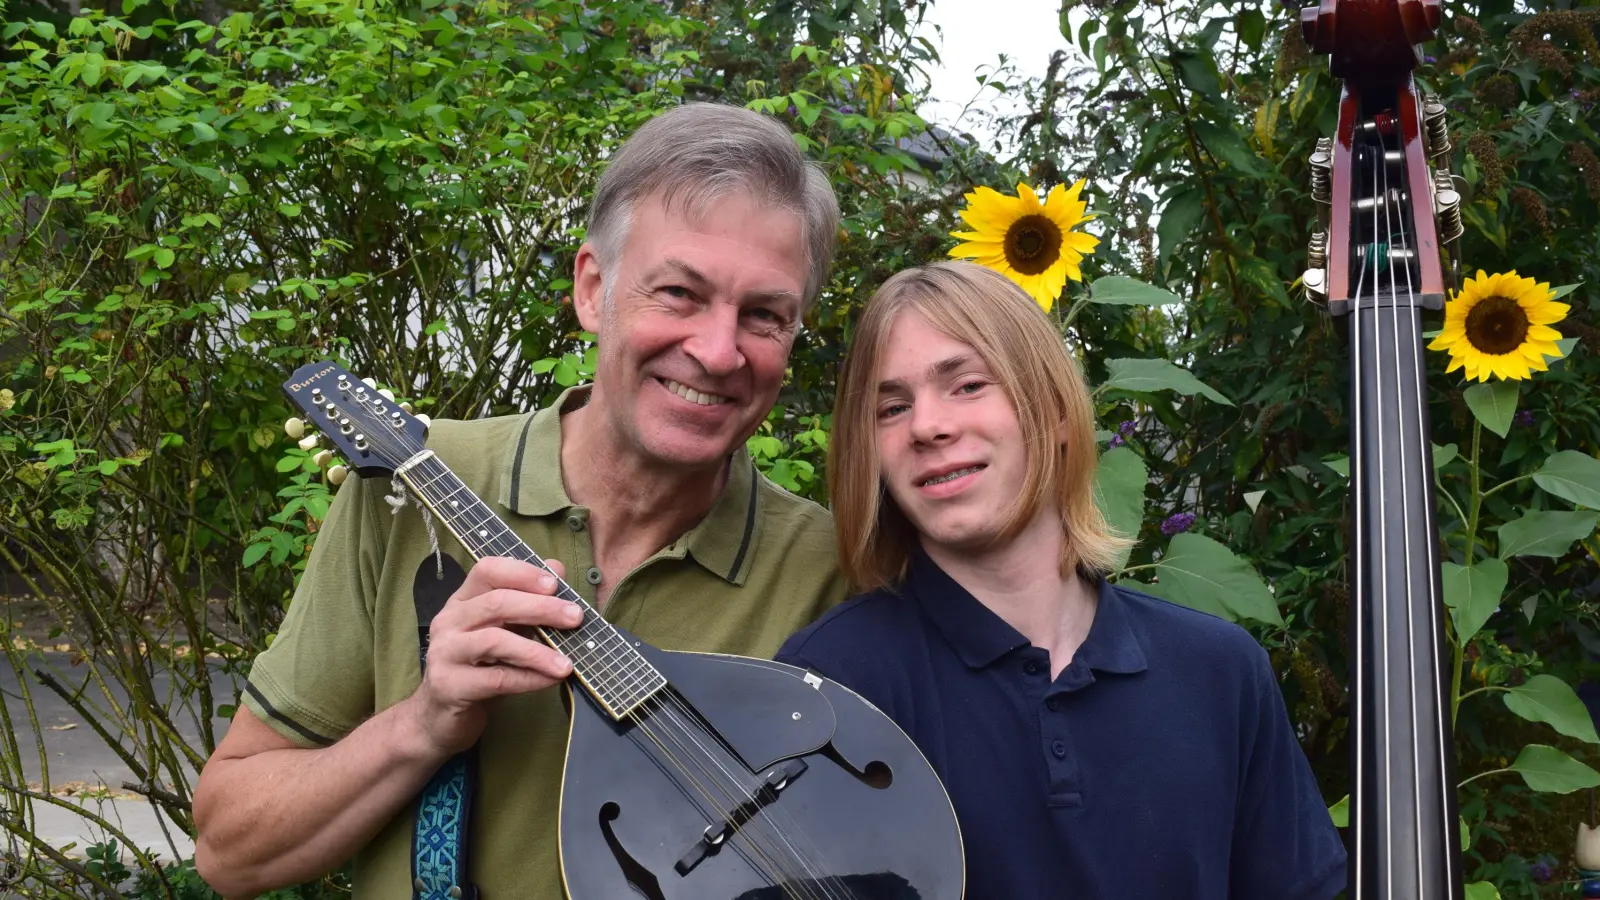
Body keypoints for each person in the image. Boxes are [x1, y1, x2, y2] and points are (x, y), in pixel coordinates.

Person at [192, 102, 849, 899]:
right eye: (678, 292)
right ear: (591, 288)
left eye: (764, 316)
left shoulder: (828, 570)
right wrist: (423, 723)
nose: (716, 351)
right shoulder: (420, 486)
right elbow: (229, 850)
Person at [776, 261, 1347, 899]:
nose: (927, 426)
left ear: (1051, 408)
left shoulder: (1221, 673)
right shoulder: (829, 688)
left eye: (966, 385)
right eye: (892, 407)